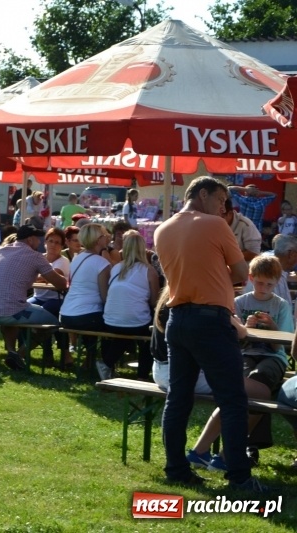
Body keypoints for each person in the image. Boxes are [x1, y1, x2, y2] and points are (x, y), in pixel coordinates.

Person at [154, 176, 262, 491]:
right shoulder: (215, 225)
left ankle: (176, 469)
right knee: (231, 400)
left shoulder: (162, 229)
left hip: (177, 319)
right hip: (211, 320)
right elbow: (243, 273)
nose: (223, 208)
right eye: (220, 201)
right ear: (203, 194)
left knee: (178, 399)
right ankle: (239, 477)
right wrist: (222, 277)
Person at [186, 254, 292, 473]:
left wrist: (271, 327)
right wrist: (245, 328)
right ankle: (233, 452)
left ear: (277, 282)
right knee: (247, 389)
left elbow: (282, 345)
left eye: (269, 284)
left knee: (254, 384)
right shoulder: (239, 302)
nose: (263, 288)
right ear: (251, 279)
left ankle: (215, 452)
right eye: (259, 282)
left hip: (272, 358)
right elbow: (231, 339)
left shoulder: (280, 305)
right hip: (244, 353)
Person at [0, 225, 67, 370]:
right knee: (53, 323)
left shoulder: (1, 250)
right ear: (30, 239)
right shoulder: (35, 256)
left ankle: (11, 352)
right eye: (37, 238)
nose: (40, 242)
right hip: (13, 310)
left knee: (11, 313)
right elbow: (60, 284)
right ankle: (20, 354)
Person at [102, 230, 160, 380]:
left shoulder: (116, 268)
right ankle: (142, 375)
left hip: (110, 320)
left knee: (126, 330)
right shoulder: (149, 271)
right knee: (151, 335)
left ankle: (107, 363)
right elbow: (155, 302)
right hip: (135, 321)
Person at [59, 223, 111, 375]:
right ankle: (101, 363)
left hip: (66, 314)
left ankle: (89, 361)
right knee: (114, 323)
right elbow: (104, 296)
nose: (107, 238)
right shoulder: (102, 263)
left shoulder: (76, 258)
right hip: (86, 316)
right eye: (104, 236)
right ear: (97, 241)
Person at [28, 227, 72, 368]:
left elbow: (50, 276)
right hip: (38, 297)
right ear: (45, 242)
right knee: (21, 308)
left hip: (56, 299)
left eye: (57, 242)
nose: (53, 245)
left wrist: (36, 276)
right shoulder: (39, 257)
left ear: (62, 245)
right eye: (50, 241)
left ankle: (47, 353)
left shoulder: (63, 261)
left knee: (44, 313)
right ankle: (23, 347)